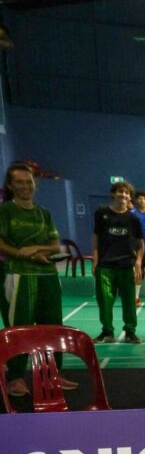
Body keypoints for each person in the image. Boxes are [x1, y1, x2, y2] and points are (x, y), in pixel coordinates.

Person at [0, 163, 68, 397]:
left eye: (29, 182)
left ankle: (51, 374)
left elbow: (55, 246)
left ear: (35, 184)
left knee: (53, 327)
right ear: (10, 185)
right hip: (19, 275)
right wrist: (23, 254)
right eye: (19, 182)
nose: (25, 186)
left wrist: (36, 250)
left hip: (48, 276)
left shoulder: (43, 213)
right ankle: (16, 377)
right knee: (20, 328)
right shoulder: (6, 210)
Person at [91, 180, 144, 344]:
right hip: (105, 266)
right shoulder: (101, 213)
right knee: (105, 302)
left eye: (127, 193)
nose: (124, 195)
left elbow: (140, 244)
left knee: (129, 302)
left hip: (126, 265)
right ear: (113, 194)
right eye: (120, 192)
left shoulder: (133, 219)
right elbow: (96, 237)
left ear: (130, 197)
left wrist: (138, 262)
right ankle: (107, 331)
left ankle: (130, 332)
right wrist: (95, 259)